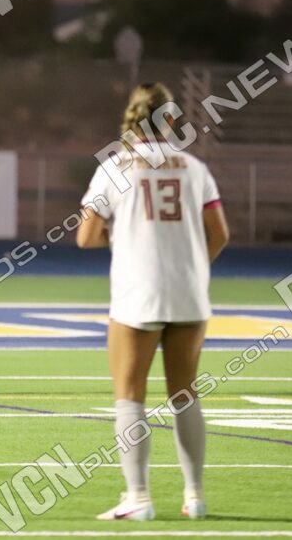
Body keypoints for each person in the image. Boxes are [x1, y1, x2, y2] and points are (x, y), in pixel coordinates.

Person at [76, 83, 229, 522]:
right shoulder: (194, 167)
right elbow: (219, 234)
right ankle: (195, 496)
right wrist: (191, 264)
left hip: (137, 291)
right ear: (171, 120)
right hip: (188, 293)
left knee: (130, 396)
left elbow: (85, 236)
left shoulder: (115, 166)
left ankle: (138, 497)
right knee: (186, 394)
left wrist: (124, 236)